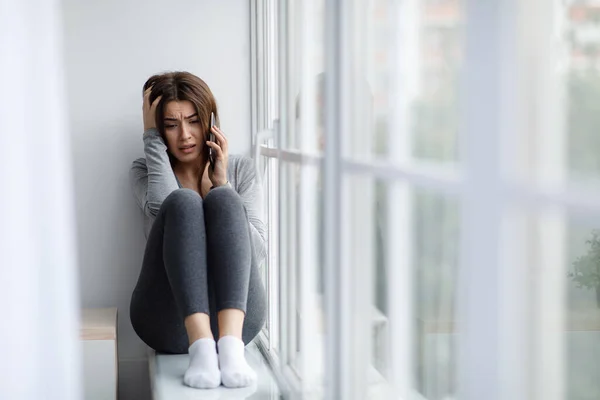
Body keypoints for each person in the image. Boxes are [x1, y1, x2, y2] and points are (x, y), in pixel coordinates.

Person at [128, 71, 267, 389]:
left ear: (210, 119)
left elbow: (257, 253)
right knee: (182, 203)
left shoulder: (241, 168)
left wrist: (221, 186)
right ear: (157, 129)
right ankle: (201, 346)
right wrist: (151, 139)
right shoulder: (145, 170)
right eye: (170, 125)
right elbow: (164, 207)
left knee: (225, 198)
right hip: (169, 321)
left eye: (193, 121)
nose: (185, 136)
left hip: (237, 323)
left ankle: (229, 350)